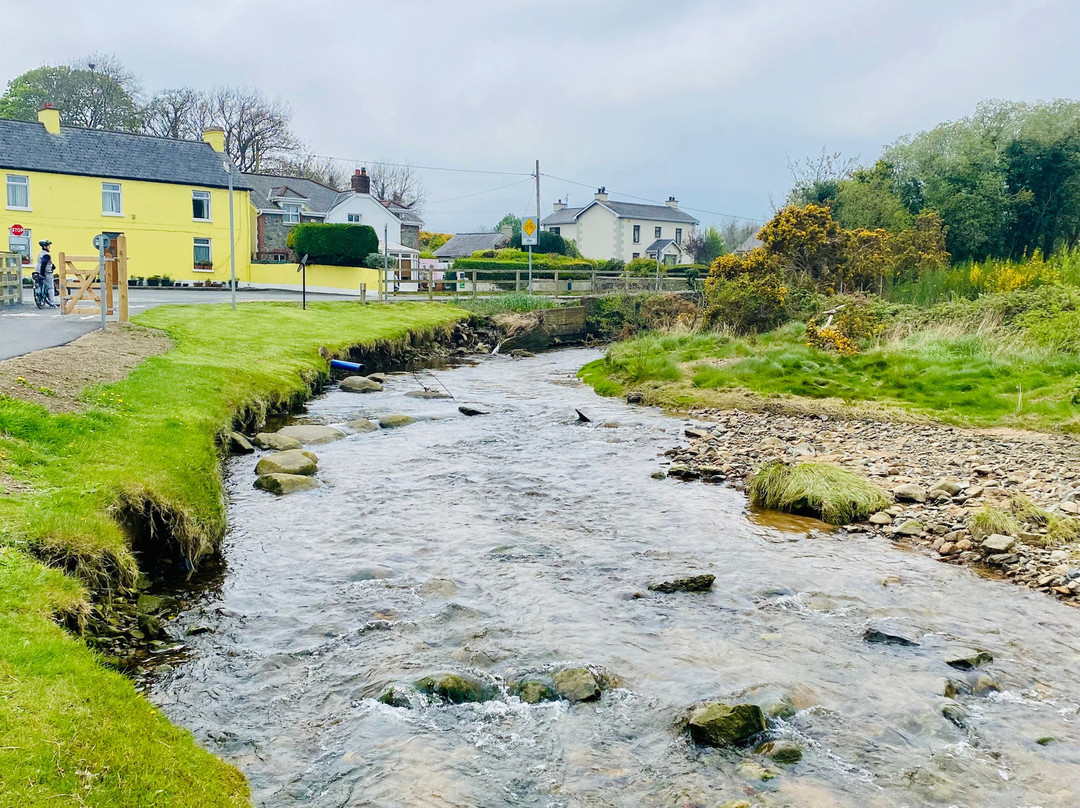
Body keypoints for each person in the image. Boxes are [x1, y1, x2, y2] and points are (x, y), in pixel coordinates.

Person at [37, 240, 58, 308]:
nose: (49, 247)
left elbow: (46, 263)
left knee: (42, 285)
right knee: (50, 288)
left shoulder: (40, 253)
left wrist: (53, 265)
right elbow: (44, 264)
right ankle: (51, 303)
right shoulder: (46, 254)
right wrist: (43, 274)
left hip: (38, 271)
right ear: (45, 246)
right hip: (47, 272)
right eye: (49, 246)